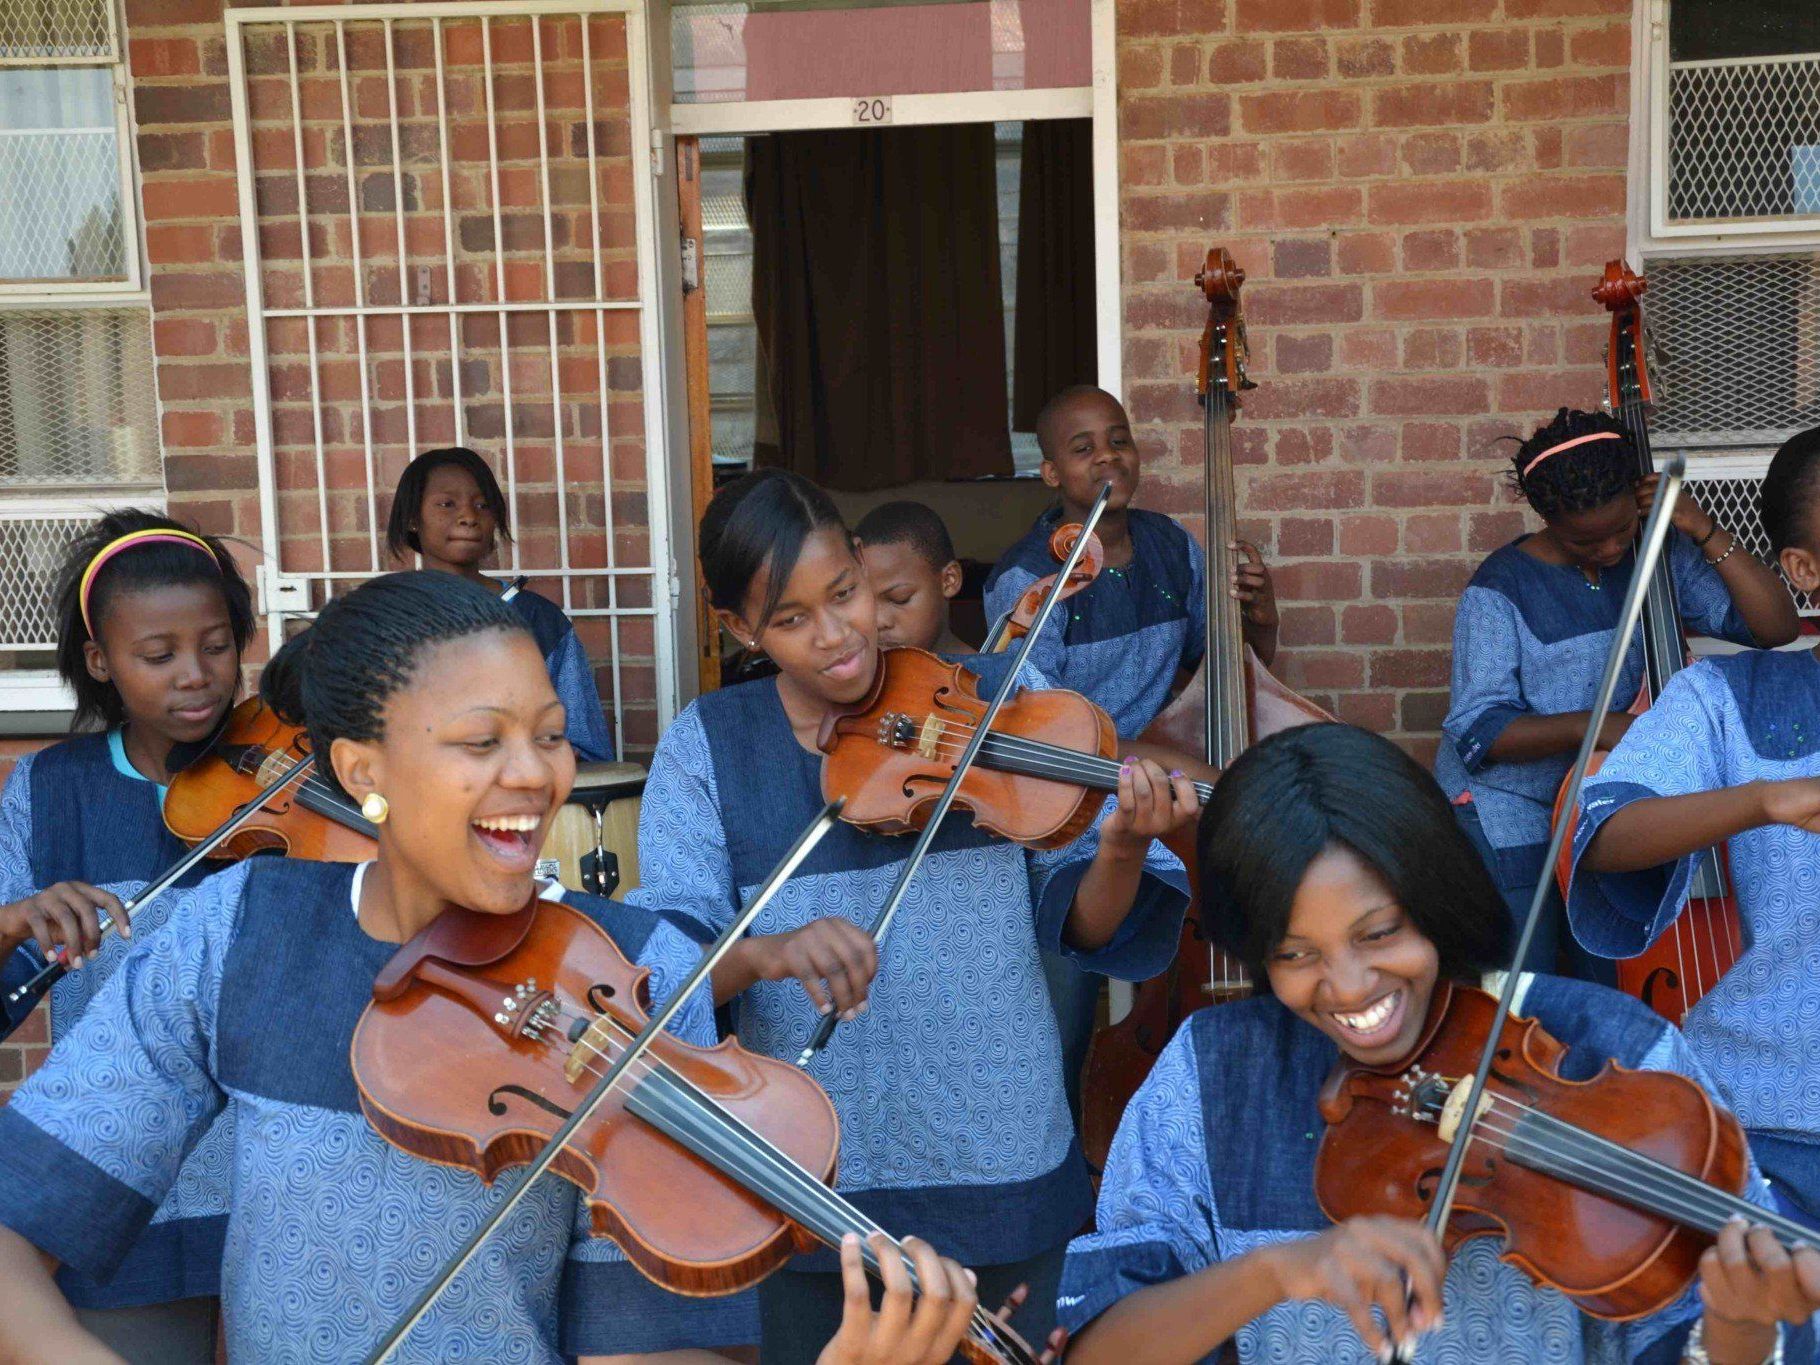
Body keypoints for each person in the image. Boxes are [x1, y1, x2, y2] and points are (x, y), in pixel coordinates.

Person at [0, 570, 993, 1365]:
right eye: (482, 741)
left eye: (549, 736)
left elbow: (644, 1349)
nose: (536, 774)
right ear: (361, 772)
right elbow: (15, 1222)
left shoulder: (633, 970)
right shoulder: (235, 928)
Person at [630, 468, 1194, 1361]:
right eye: (790, 619)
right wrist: (768, 951)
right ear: (741, 629)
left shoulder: (994, 691)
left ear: (861, 564)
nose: (836, 637)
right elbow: (660, 972)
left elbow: (1085, 925)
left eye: (845, 593)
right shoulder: (708, 742)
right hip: (802, 1181)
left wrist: (1121, 845)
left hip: (999, 1162)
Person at [1060, 723, 1820, 1365]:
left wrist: (1742, 1322)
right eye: (1296, 954)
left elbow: (1693, 1344)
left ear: (1434, 898)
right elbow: (1095, 1347)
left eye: (1380, 932)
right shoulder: (1212, 1072)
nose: (1350, 986)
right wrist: (1277, 1270)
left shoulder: (1611, 1053)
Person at [0, 509, 255, 1360]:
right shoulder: (48, 788)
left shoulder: (294, 770)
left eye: (217, 645)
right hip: (128, 1190)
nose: (197, 676)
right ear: (102, 661)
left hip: (283, 1184)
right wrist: (10, 922)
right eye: (159, 655)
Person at [1438, 407, 1796, 979]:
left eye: (1621, 528)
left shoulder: (1657, 554)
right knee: (1522, 981)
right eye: (1586, 539)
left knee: (1605, 971)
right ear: (1545, 517)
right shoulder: (1498, 588)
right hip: (1510, 809)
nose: (1609, 549)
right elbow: (1481, 729)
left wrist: (1701, 530)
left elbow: (1772, 628)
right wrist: (1598, 725)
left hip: (1601, 801)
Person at [1572, 422, 1820, 1237]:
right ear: (1805, 570)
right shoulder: (1725, 695)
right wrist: (1764, 799)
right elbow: (1606, 831)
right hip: (1770, 1119)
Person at [983, 385, 1278, 739]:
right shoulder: (1026, 577)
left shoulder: (1171, 543)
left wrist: (1262, 623)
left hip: (1168, 755)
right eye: (1083, 448)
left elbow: (1222, 676)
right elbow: (1042, 732)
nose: (1107, 456)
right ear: (1051, 473)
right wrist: (1177, 771)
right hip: (1079, 779)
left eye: (1119, 441)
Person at [386, 445, 615, 761]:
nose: (468, 516)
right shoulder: (383, 618)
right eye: (446, 504)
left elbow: (586, 746)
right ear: (413, 519)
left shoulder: (539, 620)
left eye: (482, 504)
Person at [855, 501, 972, 654]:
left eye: (900, 599)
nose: (879, 622)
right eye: (866, 603)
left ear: (949, 580)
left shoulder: (991, 676)